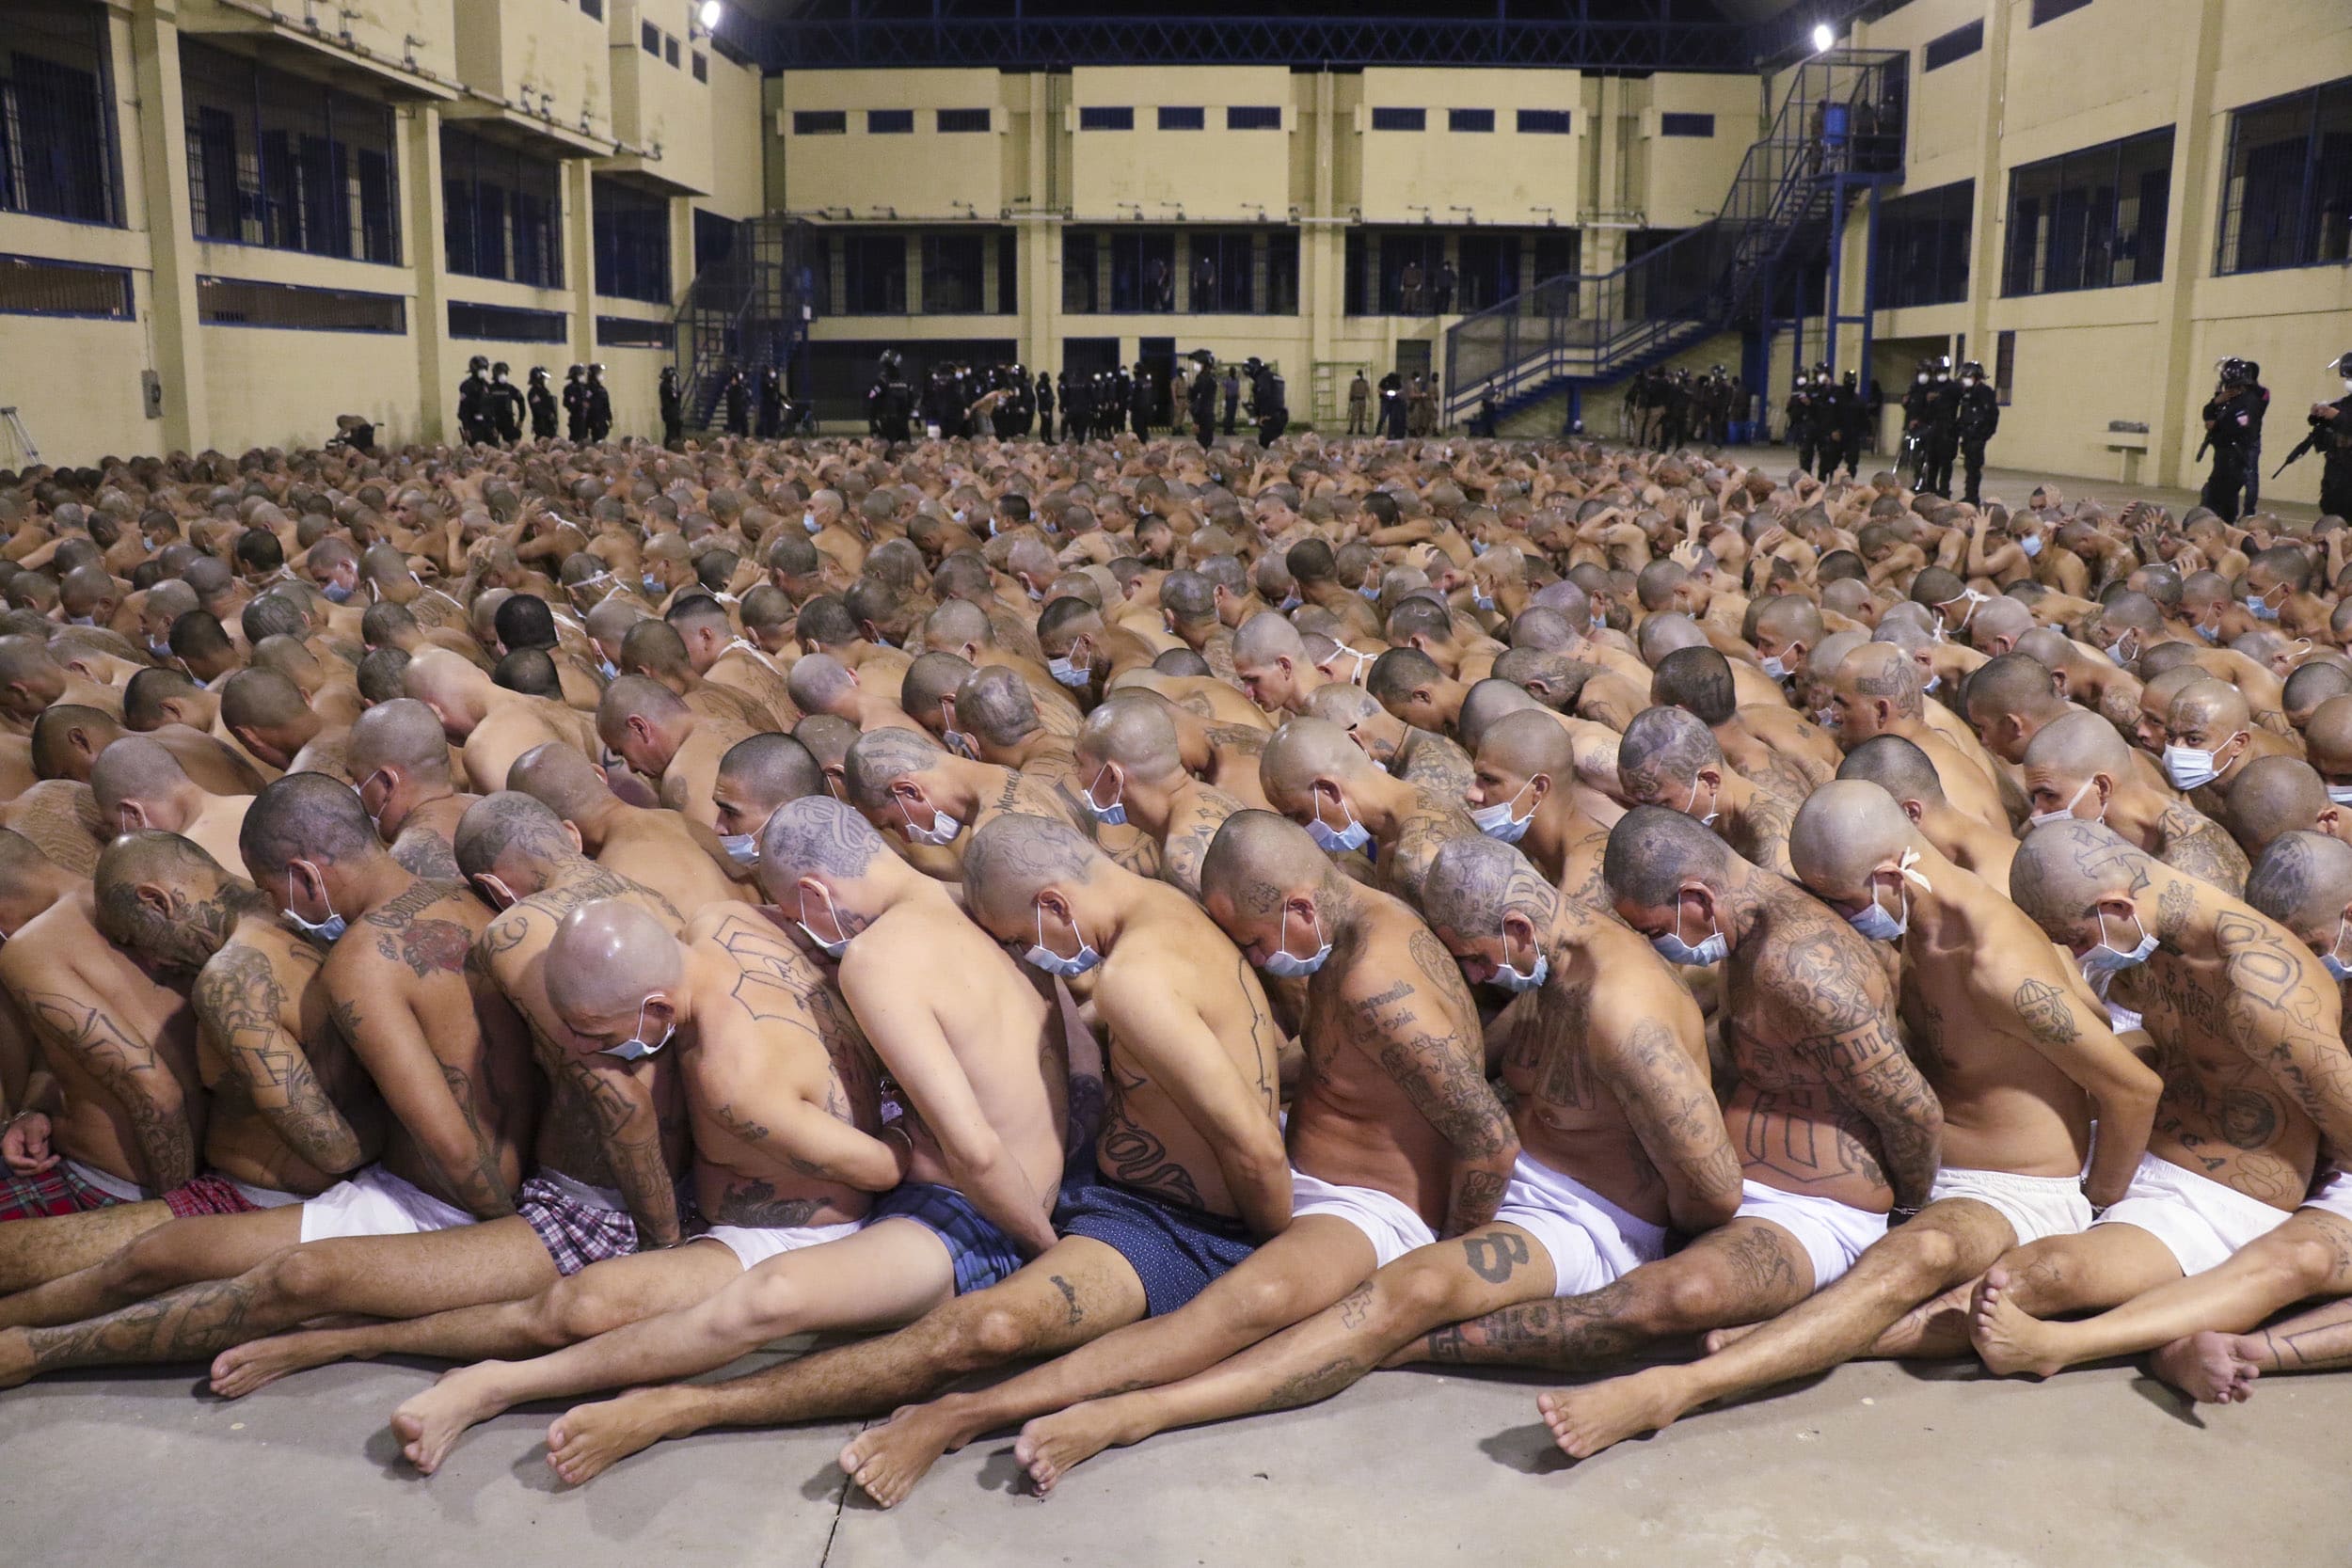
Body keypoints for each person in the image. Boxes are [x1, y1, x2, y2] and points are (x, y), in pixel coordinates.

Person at [502, 809, 1288, 1486]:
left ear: (810, 895)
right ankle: (503, 1381)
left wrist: (1041, 1237)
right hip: (1055, 1188)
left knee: (797, 1303)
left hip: (1007, 1207)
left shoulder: (884, 958)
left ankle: (681, 1406)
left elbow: (975, 1151)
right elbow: (1068, 1056)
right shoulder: (979, 904)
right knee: (676, 1300)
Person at [1001, 829, 1739, 1491]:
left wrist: (1463, 1243)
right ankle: (997, 1401)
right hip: (1513, 1178)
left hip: (1584, 1214)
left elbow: (1706, 1189)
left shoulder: (1615, 1004)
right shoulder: (1548, 954)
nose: (1474, 978)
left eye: (1477, 959)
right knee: (1265, 1293)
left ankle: (1140, 1413)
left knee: (1387, 1294)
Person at [831, 811, 1513, 1506]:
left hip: (1362, 1202)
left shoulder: (1373, 974)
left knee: (1247, 1304)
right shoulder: (1360, 919)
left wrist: (1452, 1256)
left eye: (1251, 938)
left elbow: (1489, 1135)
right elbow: (1353, 1060)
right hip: (1291, 1170)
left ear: (1299, 905)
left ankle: (975, 1413)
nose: (1248, 956)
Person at [1534, 782, 2159, 1458]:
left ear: (1891, 876)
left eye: (1842, 900)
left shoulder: (1994, 960)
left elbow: (2132, 1087)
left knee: (1923, 1253)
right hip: (1922, 1164)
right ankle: (1792, 1330)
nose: (1830, 914)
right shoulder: (1912, 924)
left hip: (2008, 1183)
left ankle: (1681, 1389)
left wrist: (2101, 1199)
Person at [1399, 806, 1939, 1376]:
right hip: (1729, 1188)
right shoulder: (1745, 931)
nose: (1650, 944)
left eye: (1655, 930)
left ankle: (1413, 1346)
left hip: (1809, 1209)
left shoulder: (1797, 966)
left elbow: (1914, 1110)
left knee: (1665, 1300)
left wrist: (1907, 1212)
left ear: (1698, 900)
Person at [1961, 818, 2352, 1377]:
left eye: (2078, 939)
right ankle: (2172, 1344)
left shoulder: (2263, 992)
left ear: (2118, 907)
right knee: (1956, 1248)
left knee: (2038, 1277)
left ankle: (2059, 1347)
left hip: (2214, 1195)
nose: (2080, 955)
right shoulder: (2150, 946)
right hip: (2135, 1152)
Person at [1955, 359, 2000, 505]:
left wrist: (1983, 433)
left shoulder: (1985, 392)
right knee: (1969, 466)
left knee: (1974, 467)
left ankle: (1972, 496)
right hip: (1968, 435)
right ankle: (1969, 494)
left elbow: (1991, 416)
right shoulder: (1968, 393)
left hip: (1977, 437)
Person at [456, 356, 492, 446]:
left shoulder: (487, 385)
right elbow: (464, 408)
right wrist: (466, 428)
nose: (484, 371)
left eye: (485, 368)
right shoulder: (467, 385)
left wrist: (493, 426)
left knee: (492, 451)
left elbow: (491, 407)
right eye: (481, 368)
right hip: (474, 425)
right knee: (478, 450)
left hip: (487, 424)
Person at [487, 363, 523, 447]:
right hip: (494, 422)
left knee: (514, 444)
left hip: (508, 421)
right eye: (500, 373)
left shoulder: (510, 388)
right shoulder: (490, 388)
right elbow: (485, 407)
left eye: (504, 372)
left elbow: (521, 401)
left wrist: (521, 419)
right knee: (493, 446)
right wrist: (490, 424)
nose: (503, 375)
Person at [528, 367, 559, 441]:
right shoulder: (533, 392)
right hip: (542, 424)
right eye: (544, 378)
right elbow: (537, 408)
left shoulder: (544, 391)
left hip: (549, 424)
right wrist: (548, 414)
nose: (545, 380)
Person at [583, 363, 612, 442]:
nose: (601, 376)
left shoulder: (602, 390)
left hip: (601, 421)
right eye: (599, 374)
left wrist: (609, 419)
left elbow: (606, 405)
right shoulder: (585, 389)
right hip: (589, 421)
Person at [562, 364, 590, 442]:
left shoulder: (585, 387)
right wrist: (580, 404)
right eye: (581, 374)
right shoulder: (569, 388)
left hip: (587, 418)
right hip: (576, 418)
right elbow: (566, 403)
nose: (583, 376)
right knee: (576, 439)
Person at [722, 369, 749, 438]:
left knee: (744, 427)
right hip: (733, 412)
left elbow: (744, 400)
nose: (733, 381)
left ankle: (744, 438)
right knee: (734, 430)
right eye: (732, 379)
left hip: (740, 411)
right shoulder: (730, 389)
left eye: (734, 379)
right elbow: (730, 403)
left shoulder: (741, 389)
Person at [1347, 369, 1370, 436]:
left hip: (1363, 400)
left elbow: (1368, 390)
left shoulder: (1365, 382)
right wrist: (1350, 398)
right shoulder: (1354, 382)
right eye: (1359, 374)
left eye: (1361, 374)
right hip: (1356, 400)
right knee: (1353, 415)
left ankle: (1360, 429)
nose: (1360, 375)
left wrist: (1369, 398)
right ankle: (1351, 429)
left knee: (1362, 415)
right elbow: (1351, 391)